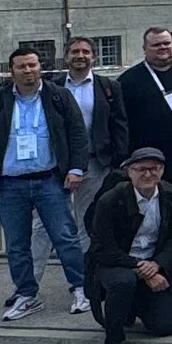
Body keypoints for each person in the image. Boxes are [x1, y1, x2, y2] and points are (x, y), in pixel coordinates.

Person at [0, 47, 89, 319]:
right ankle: (26, 294)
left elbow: (78, 134)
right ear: (11, 71)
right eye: (21, 66)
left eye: (32, 65)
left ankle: (81, 289)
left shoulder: (58, 97)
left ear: (40, 67)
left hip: (50, 180)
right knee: (17, 244)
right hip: (9, 184)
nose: (28, 70)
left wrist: (76, 168)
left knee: (66, 237)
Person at [85, 147, 172, 344]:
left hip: (154, 263)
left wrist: (158, 264)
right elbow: (103, 246)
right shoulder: (111, 200)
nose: (148, 174)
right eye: (141, 169)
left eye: (154, 168)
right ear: (129, 172)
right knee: (124, 282)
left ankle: (132, 305)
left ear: (162, 170)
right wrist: (140, 267)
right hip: (117, 263)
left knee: (164, 325)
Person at [55, 35, 128, 216]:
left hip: (95, 163)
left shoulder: (109, 87)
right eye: (75, 52)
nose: (80, 56)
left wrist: (118, 159)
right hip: (57, 163)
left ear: (94, 57)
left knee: (89, 216)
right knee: (53, 218)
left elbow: (119, 124)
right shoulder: (53, 86)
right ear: (66, 57)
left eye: (85, 52)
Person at [118, 27, 172, 173]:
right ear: (144, 48)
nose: (162, 47)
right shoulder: (128, 81)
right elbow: (123, 122)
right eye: (156, 45)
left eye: (166, 43)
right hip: (153, 156)